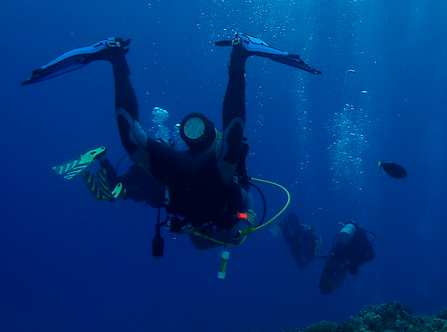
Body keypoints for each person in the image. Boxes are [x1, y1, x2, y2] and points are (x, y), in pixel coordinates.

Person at [23, 34, 321, 250]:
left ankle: (116, 57)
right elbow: (239, 231)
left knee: (141, 141)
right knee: (135, 141)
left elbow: (235, 228)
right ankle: (118, 58)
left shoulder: (207, 197)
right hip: (202, 170)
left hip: (183, 166)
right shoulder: (234, 198)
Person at [55, 145, 166, 206]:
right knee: (144, 196)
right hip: (154, 177)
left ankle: (102, 159)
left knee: (114, 184)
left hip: (139, 168)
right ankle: (124, 191)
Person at [318, 220, 377, 294]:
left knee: (330, 269)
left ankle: (324, 287)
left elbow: (336, 248)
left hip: (338, 255)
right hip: (349, 258)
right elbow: (371, 255)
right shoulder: (361, 234)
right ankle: (332, 286)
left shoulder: (343, 234)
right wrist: (355, 264)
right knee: (342, 269)